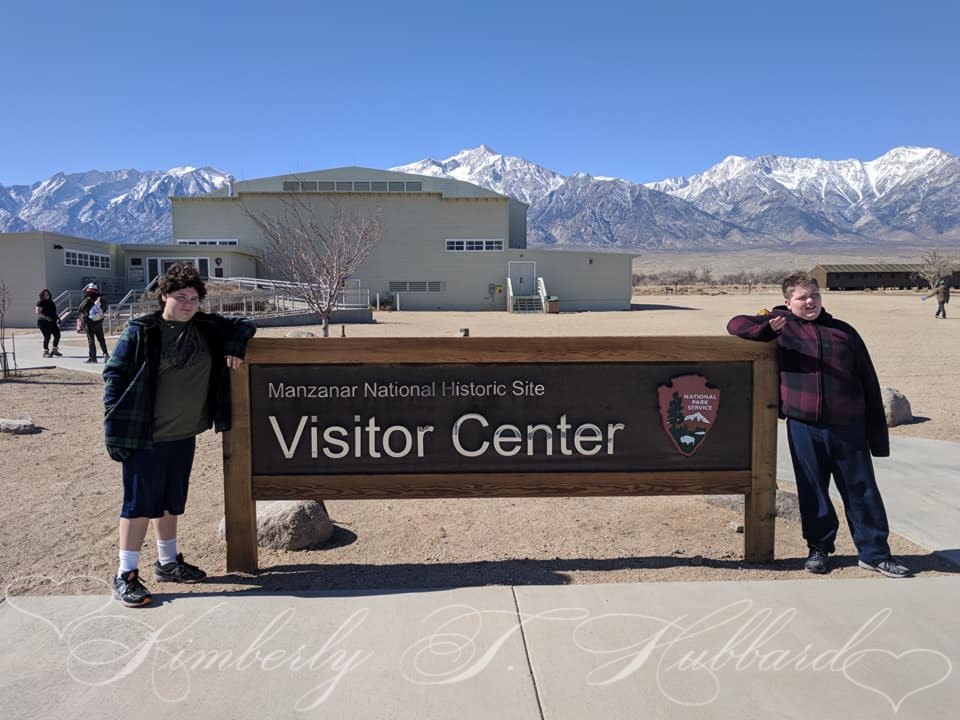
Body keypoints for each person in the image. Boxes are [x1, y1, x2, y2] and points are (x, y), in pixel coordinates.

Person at [727, 271, 912, 578]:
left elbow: (868, 379)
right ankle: (819, 549)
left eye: (814, 295)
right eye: (802, 297)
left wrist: (877, 437)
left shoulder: (843, 332)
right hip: (804, 425)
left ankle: (875, 553)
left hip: (848, 426)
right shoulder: (780, 329)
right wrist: (766, 328)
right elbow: (735, 325)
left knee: (861, 489)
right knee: (813, 490)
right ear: (788, 302)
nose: (810, 302)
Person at [103, 264, 256, 607]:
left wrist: (234, 345)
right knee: (139, 503)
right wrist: (114, 423)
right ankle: (125, 573)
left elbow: (245, 324)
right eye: (181, 297)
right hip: (145, 435)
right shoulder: (142, 330)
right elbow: (114, 375)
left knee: (171, 501)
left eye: (194, 298)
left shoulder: (206, 327)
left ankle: (168, 563)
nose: (188, 304)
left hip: (183, 433)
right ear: (164, 297)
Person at [78, 282, 110, 363]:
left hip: (89, 323)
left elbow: (80, 309)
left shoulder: (87, 300)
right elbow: (105, 308)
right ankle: (105, 354)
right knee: (101, 339)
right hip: (98, 322)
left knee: (91, 340)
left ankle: (93, 358)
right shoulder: (101, 300)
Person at [35, 289, 62, 358]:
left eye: (48, 294)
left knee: (57, 335)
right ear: (42, 296)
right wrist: (46, 318)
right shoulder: (40, 303)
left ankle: (54, 350)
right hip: (43, 323)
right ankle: (45, 352)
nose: (47, 296)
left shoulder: (51, 302)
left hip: (53, 322)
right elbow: (38, 312)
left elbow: (54, 312)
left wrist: (58, 318)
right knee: (47, 337)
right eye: (45, 294)